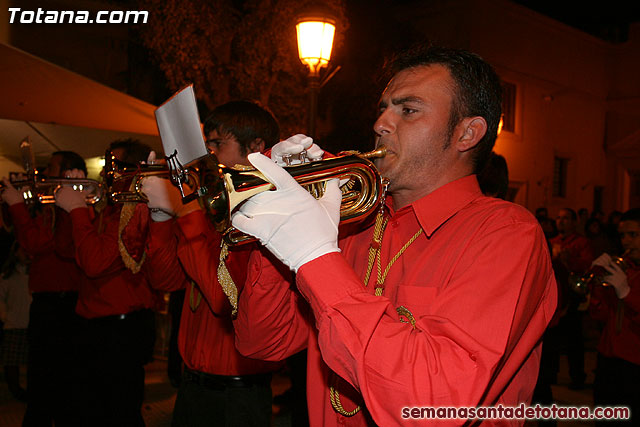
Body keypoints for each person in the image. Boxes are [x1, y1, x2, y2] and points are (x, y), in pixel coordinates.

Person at [230, 46, 557, 425]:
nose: (381, 123)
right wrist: (278, 234)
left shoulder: (506, 233)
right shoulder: (350, 225)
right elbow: (263, 343)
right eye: (383, 108)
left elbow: (435, 407)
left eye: (408, 110)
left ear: (467, 133)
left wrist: (315, 257)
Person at [140, 100, 290, 427]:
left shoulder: (262, 213)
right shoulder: (207, 208)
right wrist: (161, 215)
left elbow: (225, 298)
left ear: (256, 148)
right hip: (192, 384)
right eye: (206, 144)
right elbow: (165, 281)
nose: (206, 154)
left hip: (239, 396)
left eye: (217, 144)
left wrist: (186, 214)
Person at [54, 139, 182, 426]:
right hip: (92, 323)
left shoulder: (134, 208)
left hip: (120, 330)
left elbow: (95, 262)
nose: (104, 175)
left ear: (132, 170)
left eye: (113, 167)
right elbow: (65, 251)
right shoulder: (110, 206)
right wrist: (69, 208)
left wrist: (77, 210)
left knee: (118, 413)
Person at [1, 151, 86, 426]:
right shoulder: (52, 207)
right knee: (48, 383)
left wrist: (16, 206)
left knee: (49, 382)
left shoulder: (67, 208)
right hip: (52, 304)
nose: (44, 174)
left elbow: (37, 243)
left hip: (60, 306)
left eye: (51, 168)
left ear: (67, 172)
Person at [589, 208, 640, 425]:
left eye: (634, 235)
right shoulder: (623, 267)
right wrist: (597, 283)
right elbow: (600, 316)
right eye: (622, 236)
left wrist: (627, 294)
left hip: (634, 366)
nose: (626, 241)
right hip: (608, 360)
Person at [550, 207, 594, 389]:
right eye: (559, 218)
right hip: (554, 295)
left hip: (573, 296)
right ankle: (551, 374)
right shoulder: (552, 241)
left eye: (566, 218)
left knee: (574, 339)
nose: (561, 221)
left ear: (574, 222)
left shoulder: (581, 243)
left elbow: (587, 265)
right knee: (552, 339)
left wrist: (569, 260)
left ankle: (578, 376)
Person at [0, 241, 31, 402]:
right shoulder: (7, 276)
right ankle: (17, 392)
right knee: (11, 363)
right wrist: (5, 316)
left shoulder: (35, 273)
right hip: (13, 325)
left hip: (31, 324)